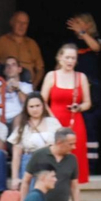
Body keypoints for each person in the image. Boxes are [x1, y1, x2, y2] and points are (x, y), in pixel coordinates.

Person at [40, 45, 92, 185]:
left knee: (76, 153)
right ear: (60, 58)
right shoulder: (51, 76)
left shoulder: (81, 77)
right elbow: (42, 101)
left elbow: (88, 102)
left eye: (73, 58)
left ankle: (76, 188)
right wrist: (52, 119)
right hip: (54, 121)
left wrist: (79, 107)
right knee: (55, 153)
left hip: (75, 120)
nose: (70, 61)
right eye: (67, 57)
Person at [9, 92, 62, 191]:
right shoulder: (22, 127)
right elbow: (16, 155)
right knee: (32, 193)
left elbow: (61, 144)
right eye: (31, 106)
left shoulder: (53, 122)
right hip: (30, 161)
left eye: (38, 106)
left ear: (43, 106)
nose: (35, 109)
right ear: (27, 108)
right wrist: (14, 178)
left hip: (50, 161)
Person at [0, 12, 45, 83]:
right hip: (5, 87)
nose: (22, 26)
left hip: (27, 87)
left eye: (25, 23)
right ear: (11, 23)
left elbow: (40, 69)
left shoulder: (32, 44)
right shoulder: (0, 42)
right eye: (19, 22)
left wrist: (33, 87)